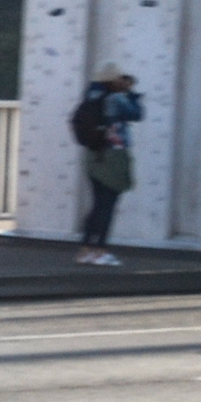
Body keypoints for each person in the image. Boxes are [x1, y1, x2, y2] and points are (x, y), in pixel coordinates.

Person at [74, 64, 144, 265]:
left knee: (97, 204)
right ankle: (100, 251)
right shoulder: (116, 98)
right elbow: (137, 114)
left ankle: (85, 250)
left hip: (93, 155)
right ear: (114, 80)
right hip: (113, 156)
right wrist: (130, 92)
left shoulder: (91, 95)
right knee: (108, 205)